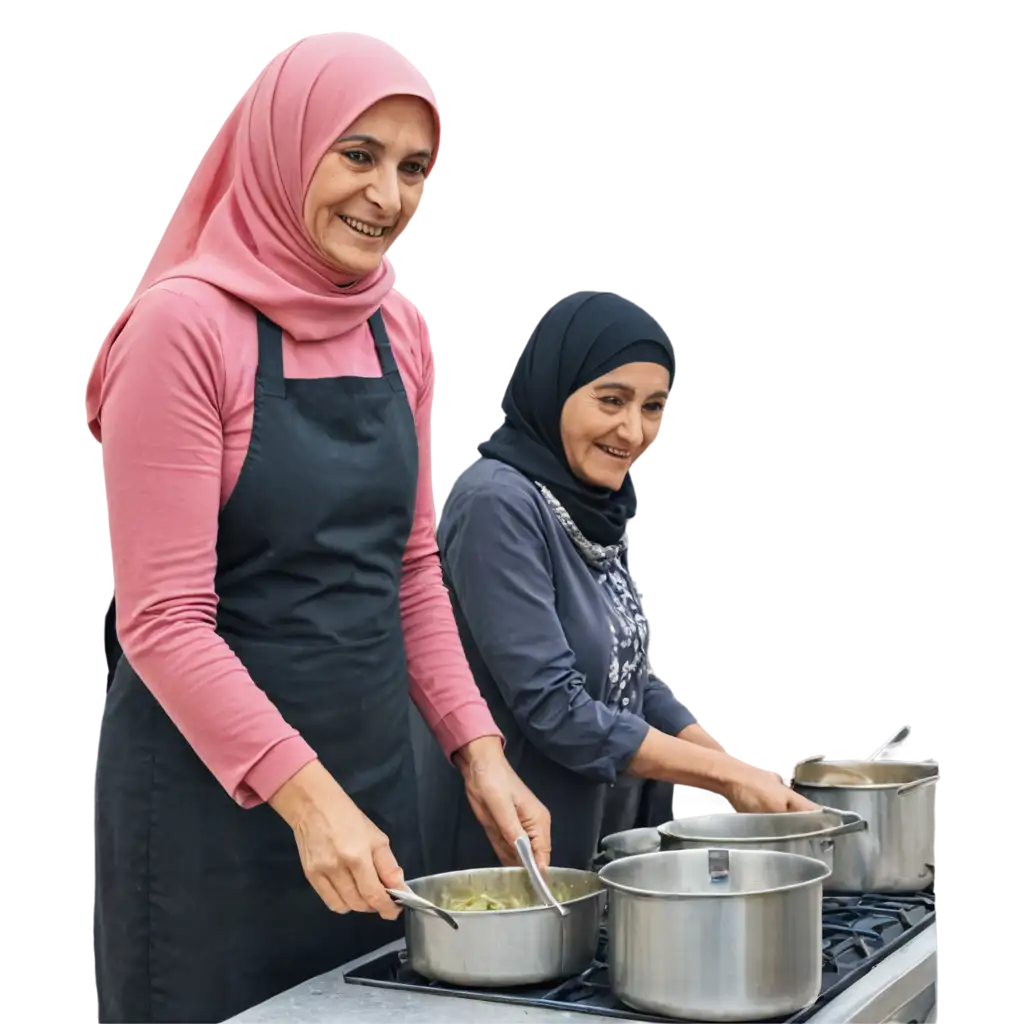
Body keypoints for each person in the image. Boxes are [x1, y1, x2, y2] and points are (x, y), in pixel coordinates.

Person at [82, 30, 551, 1024]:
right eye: (358, 155)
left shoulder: (402, 327)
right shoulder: (181, 329)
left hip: (371, 781)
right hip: (212, 806)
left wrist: (479, 752)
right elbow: (161, 621)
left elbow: (412, 567)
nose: (388, 196)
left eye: (413, 168)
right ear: (284, 149)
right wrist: (309, 800)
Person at [415, 289, 819, 875]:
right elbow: (557, 706)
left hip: (602, 844)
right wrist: (726, 777)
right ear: (554, 387)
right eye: (611, 400)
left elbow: (626, 673)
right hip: (512, 863)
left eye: (653, 407)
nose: (632, 430)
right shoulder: (496, 504)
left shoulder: (591, 502)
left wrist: (736, 769)